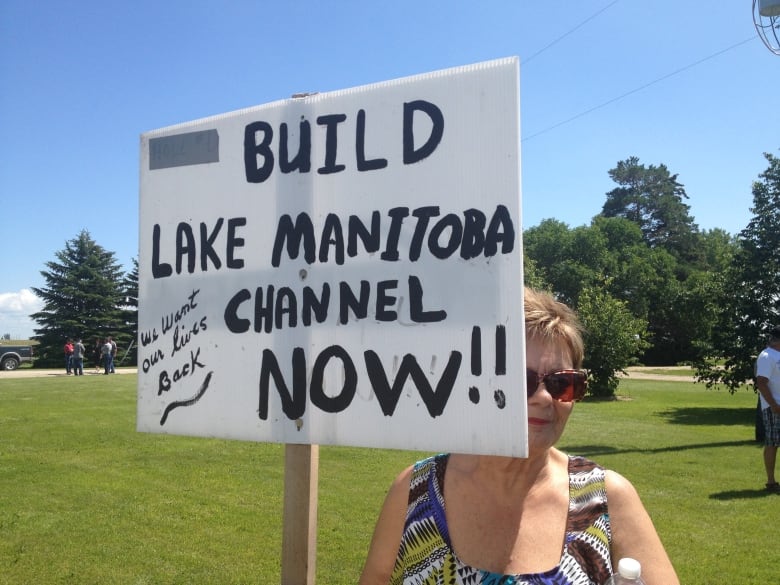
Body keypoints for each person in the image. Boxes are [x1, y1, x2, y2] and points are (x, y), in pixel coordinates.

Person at [360, 288, 679, 585]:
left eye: (562, 383)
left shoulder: (609, 499)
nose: (543, 398)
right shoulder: (414, 492)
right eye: (518, 379)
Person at [755, 325, 780, 492]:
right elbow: (761, 383)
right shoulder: (766, 356)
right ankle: (771, 482)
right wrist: (774, 405)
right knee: (773, 443)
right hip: (774, 407)